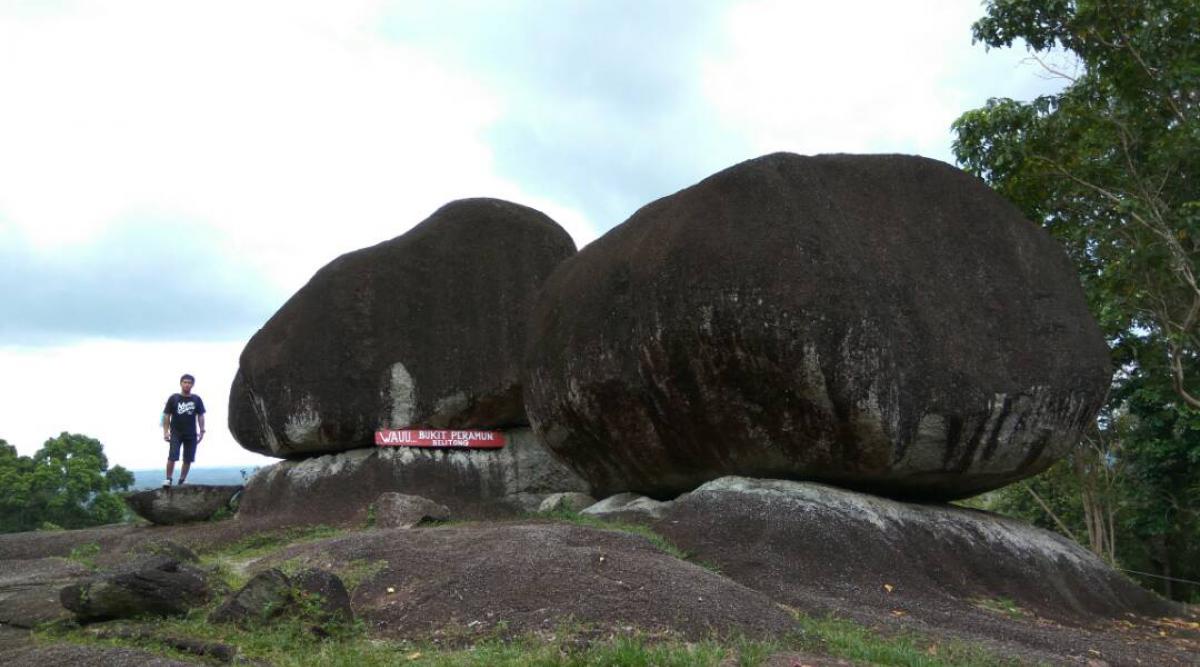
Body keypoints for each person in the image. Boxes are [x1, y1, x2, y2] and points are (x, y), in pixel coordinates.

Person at [161, 373, 206, 487]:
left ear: (192, 385)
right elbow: (166, 415)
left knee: (188, 458)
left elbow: (200, 415)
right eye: (185, 382)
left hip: (191, 433)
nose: (187, 385)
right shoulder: (174, 398)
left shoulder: (196, 399)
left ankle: (182, 480)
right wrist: (165, 432)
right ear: (181, 383)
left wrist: (202, 431)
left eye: (189, 383)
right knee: (173, 456)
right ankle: (168, 479)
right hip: (176, 432)